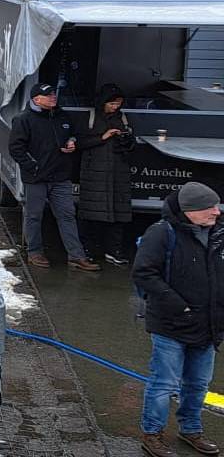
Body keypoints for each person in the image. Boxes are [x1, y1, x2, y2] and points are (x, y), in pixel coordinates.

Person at [133, 182, 224, 457]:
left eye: (217, 206)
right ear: (189, 211)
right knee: (164, 384)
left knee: (198, 384)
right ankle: (153, 434)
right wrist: (180, 307)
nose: (217, 212)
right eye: (209, 208)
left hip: (207, 327)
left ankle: (191, 429)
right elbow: (144, 273)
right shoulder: (162, 233)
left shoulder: (219, 234)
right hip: (170, 325)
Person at [9, 83, 100, 271]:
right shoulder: (23, 119)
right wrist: (33, 167)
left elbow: (73, 134)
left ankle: (76, 256)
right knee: (34, 216)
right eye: (48, 95)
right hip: (36, 178)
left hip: (60, 176)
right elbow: (16, 148)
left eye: (53, 94)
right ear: (36, 99)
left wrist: (72, 142)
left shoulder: (61, 116)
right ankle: (34, 252)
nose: (53, 97)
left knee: (67, 215)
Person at [77, 84, 136, 265]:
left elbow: (131, 146)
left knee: (118, 214)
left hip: (118, 173)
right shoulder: (91, 117)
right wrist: (103, 137)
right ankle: (87, 249)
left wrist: (126, 139)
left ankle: (114, 250)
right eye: (112, 103)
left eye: (118, 103)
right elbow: (79, 142)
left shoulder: (123, 118)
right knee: (91, 214)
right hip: (94, 173)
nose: (115, 107)